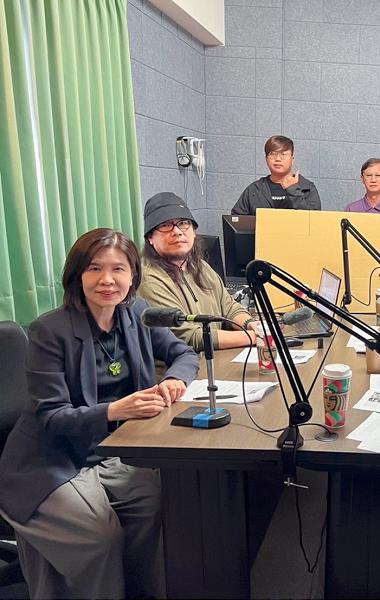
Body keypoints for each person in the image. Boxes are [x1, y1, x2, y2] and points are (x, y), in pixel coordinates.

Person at [0, 228, 198, 598]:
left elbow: (183, 354)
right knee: (99, 536)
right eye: (95, 268)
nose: (107, 280)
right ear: (77, 275)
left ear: (133, 276)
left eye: (118, 269)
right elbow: (53, 417)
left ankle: (136, 591)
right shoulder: (49, 330)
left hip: (113, 448)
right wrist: (115, 410)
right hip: (51, 457)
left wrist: (175, 379)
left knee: (153, 503)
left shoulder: (137, 313)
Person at [139, 192, 259, 351]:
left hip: (215, 358)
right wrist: (256, 337)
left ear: (193, 231)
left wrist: (252, 325)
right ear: (150, 238)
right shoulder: (148, 279)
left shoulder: (200, 266)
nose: (177, 231)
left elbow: (229, 307)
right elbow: (188, 337)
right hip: (182, 365)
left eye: (183, 223)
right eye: (165, 225)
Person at [231, 135, 321, 215]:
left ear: (292, 159)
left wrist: (294, 191)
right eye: (273, 154)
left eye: (283, 154)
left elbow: (315, 222)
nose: (278, 159)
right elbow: (236, 220)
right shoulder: (255, 189)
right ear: (266, 159)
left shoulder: (307, 187)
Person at [344, 158, 380, 222]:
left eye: (378, 175)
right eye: (369, 175)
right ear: (362, 179)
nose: (373, 180)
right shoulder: (351, 209)